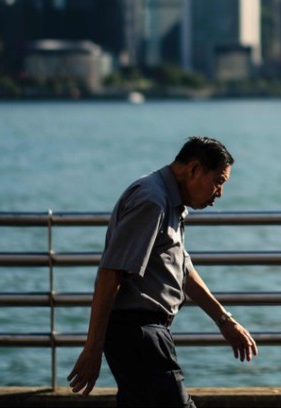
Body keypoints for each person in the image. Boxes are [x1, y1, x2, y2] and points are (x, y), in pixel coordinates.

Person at [68, 136, 257, 406]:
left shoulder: (171, 203)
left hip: (146, 331)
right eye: (219, 181)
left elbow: (182, 269)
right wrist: (92, 348)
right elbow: (111, 275)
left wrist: (224, 321)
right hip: (138, 332)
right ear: (194, 169)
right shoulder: (152, 201)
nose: (220, 192)